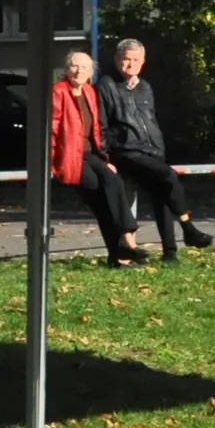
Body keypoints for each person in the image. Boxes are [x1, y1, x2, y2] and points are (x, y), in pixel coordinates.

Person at [99, 38, 214, 262]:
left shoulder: (145, 87)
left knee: (162, 192)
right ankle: (188, 227)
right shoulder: (107, 85)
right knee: (168, 176)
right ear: (116, 60)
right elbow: (101, 125)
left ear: (143, 62)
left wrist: (158, 146)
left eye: (136, 60)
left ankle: (170, 253)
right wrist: (106, 155)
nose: (130, 64)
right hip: (126, 150)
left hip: (151, 150)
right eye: (126, 59)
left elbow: (150, 120)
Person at [52, 52, 146, 268]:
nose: (79, 71)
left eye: (84, 68)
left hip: (91, 154)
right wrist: (52, 162)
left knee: (113, 182)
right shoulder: (58, 93)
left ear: (91, 72)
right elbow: (52, 130)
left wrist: (105, 158)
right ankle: (122, 250)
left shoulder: (89, 92)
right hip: (71, 156)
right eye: (75, 66)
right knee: (103, 200)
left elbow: (96, 129)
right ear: (66, 69)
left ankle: (124, 246)